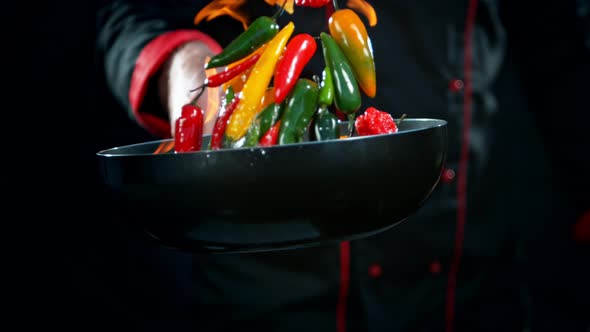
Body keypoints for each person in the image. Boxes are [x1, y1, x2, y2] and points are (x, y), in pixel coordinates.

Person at [92, 0, 590, 331]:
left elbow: (558, 47)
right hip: (269, 272)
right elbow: (128, 12)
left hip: (461, 266)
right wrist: (184, 65)